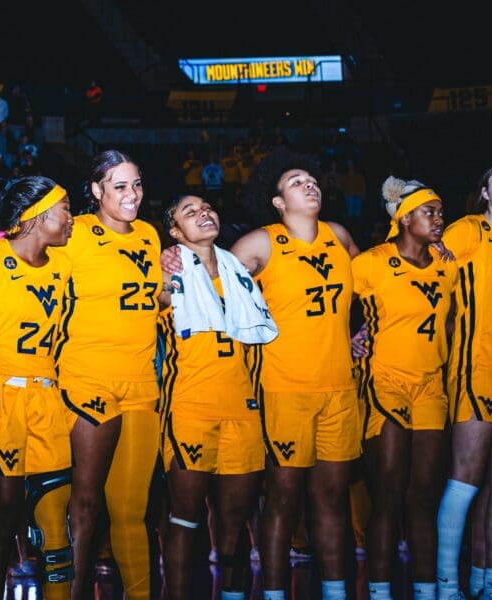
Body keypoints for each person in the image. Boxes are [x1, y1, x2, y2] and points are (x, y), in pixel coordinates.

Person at [164, 149, 361, 600]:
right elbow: (201, 274)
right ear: (276, 201)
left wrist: (360, 330)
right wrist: (167, 260)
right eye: (296, 180)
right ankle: (272, 593)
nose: (310, 183)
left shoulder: (340, 235)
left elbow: (374, 285)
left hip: (335, 390)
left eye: (312, 177)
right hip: (278, 390)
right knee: (277, 504)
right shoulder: (257, 245)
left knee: (328, 502)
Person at [55, 150, 164, 599]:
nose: (132, 194)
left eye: (136, 184)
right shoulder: (74, 231)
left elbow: (155, 300)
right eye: (120, 186)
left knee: (132, 513)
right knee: (83, 505)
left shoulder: (150, 236)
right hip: (86, 380)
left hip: (140, 383)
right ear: (97, 190)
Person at [0, 176, 75, 599]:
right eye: (65, 208)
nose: (71, 217)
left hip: (48, 397)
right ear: (36, 216)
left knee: (55, 525)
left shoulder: (65, 264)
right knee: (3, 523)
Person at [158, 195, 271, 599]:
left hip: (242, 408)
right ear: (174, 232)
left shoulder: (240, 271)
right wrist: (160, 265)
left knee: (235, 520)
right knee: (186, 519)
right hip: (190, 408)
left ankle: (234, 594)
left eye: (207, 208)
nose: (204, 213)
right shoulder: (166, 273)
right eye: (190, 212)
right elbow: (145, 294)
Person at [353, 177, 455, 600]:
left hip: (431, 384)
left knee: (425, 497)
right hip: (385, 381)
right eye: (429, 212)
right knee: (390, 494)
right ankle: (378, 591)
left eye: (440, 212)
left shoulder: (448, 263)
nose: (438, 219)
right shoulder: (371, 262)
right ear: (404, 218)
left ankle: (428, 589)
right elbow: (326, 303)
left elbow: (449, 321)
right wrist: (349, 338)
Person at [435, 162, 492, 600]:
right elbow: (416, 261)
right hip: (476, 368)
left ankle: (491, 581)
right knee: (466, 480)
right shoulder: (468, 231)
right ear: (484, 192)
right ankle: (445, 582)